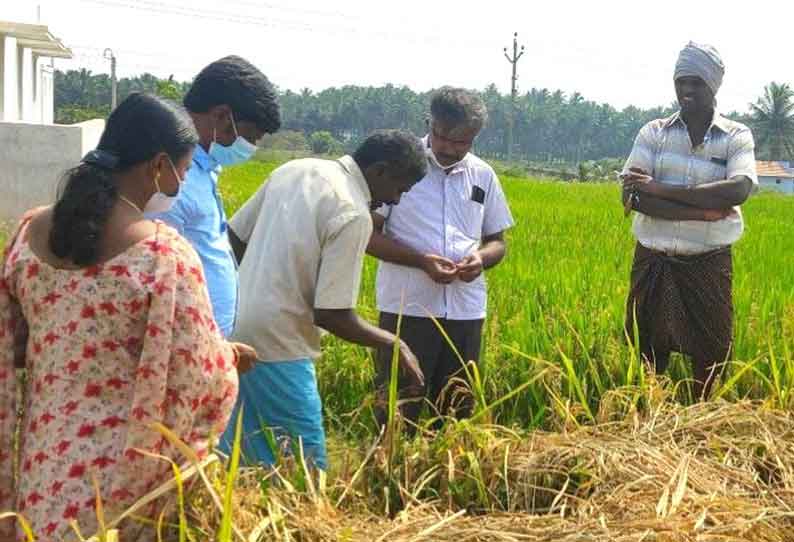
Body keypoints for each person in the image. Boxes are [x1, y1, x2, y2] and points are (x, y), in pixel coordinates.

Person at [0, 93, 256, 542]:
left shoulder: (28, 233)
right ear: (159, 166)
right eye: (183, 167)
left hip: (42, 465)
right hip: (120, 482)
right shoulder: (163, 256)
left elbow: (17, 343)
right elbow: (197, 375)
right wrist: (228, 358)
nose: (178, 184)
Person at [219, 130, 427, 470]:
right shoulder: (353, 213)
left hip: (233, 330)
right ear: (380, 171)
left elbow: (235, 236)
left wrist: (256, 284)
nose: (396, 201)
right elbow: (333, 315)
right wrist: (395, 343)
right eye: (399, 189)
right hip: (280, 344)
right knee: (304, 466)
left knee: (240, 455)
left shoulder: (296, 169)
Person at [367, 87, 514, 435]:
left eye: (460, 141)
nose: (448, 147)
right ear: (428, 123)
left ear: (475, 137)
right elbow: (368, 236)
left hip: (465, 311)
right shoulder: (400, 165)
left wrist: (480, 259)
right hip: (408, 309)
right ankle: (391, 480)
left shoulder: (483, 175)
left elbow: (497, 242)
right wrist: (421, 261)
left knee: (456, 414)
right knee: (400, 409)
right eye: (441, 136)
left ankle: (447, 485)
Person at [621, 42, 757, 400]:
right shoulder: (654, 133)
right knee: (648, 346)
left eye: (696, 82)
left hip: (707, 262)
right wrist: (701, 211)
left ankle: (700, 417)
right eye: (681, 82)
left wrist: (660, 189)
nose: (687, 90)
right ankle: (648, 413)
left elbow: (738, 190)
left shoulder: (736, 136)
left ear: (713, 85)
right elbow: (634, 197)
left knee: (712, 350)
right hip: (654, 258)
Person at [148, 55, 281, 337]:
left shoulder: (203, 171)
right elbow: (153, 275)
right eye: (252, 136)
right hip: (182, 348)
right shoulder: (171, 178)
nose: (252, 147)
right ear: (222, 116)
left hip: (206, 346)